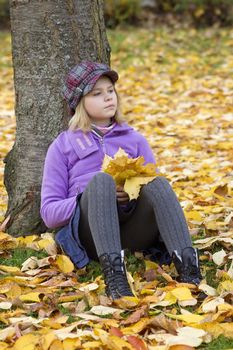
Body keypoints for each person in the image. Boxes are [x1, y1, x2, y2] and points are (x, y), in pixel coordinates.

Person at [40, 61, 202, 300]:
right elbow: (49, 213)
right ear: (79, 103)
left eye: (110, 91)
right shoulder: (63, 145)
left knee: (158, 183)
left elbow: (155, 195)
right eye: (97, 93)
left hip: (134, 231)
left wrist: (132, 192)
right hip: (92, 238)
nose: (108, 98)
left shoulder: (134, 139)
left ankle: (190, 271)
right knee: (101, 183)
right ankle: (115, 279)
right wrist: (89, 197)